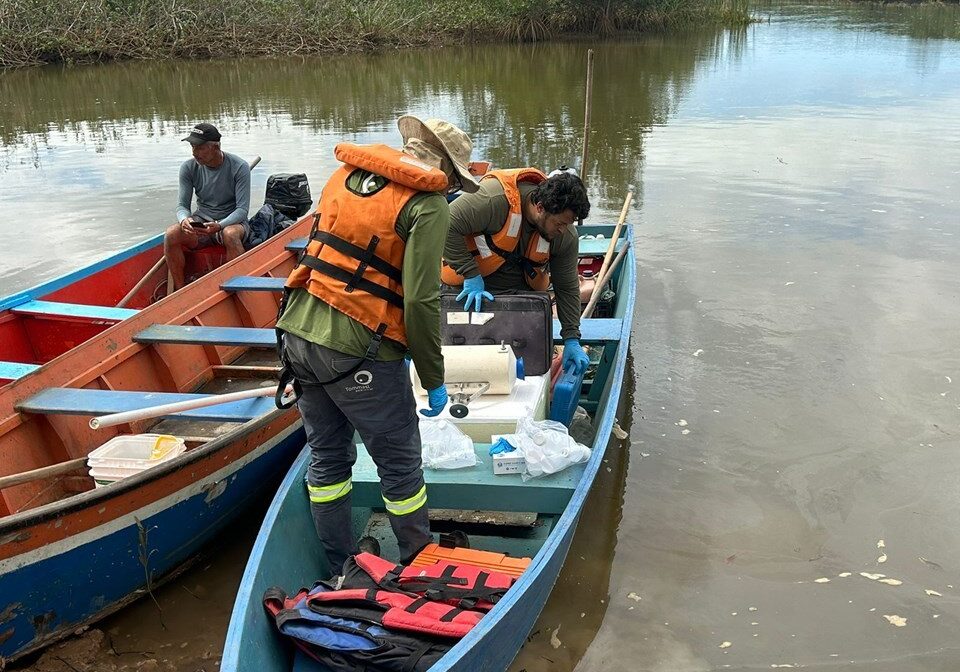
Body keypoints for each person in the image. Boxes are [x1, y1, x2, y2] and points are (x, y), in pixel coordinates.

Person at [275, 116, 479, 574]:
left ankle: (341, 565)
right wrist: (433, 377)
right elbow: (422, 300)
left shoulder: (345, 175)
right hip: (358, 352)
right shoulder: (427, 205)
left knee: (327, 458)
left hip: (297, 334)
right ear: (447, 170)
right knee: (400, 464)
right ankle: (417, 564)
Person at [442, 169, 593, 376]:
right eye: (560, 223)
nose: (563, 230)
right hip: (469, 294)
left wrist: (572, 338)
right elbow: (444, 224)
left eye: (569, 224)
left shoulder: (565, 236)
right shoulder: (492, 200)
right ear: (540, 207)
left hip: (520, 303)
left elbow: (566, 288)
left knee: (527, 372)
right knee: (462, 366)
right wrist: (470, 273)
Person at [163, 123, 251, 294]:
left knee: (230, 235)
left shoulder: (240, 167)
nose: (194, 152)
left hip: (231, 221)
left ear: (215, 147)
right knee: (171, 234)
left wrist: (220, 225)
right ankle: (180, 292)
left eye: (200, 147)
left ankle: (235, 291)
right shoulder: (188, 168)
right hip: (202, 222)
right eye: (192, 146)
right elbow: (182, 206)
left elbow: (242, 210)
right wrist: (184, 220)